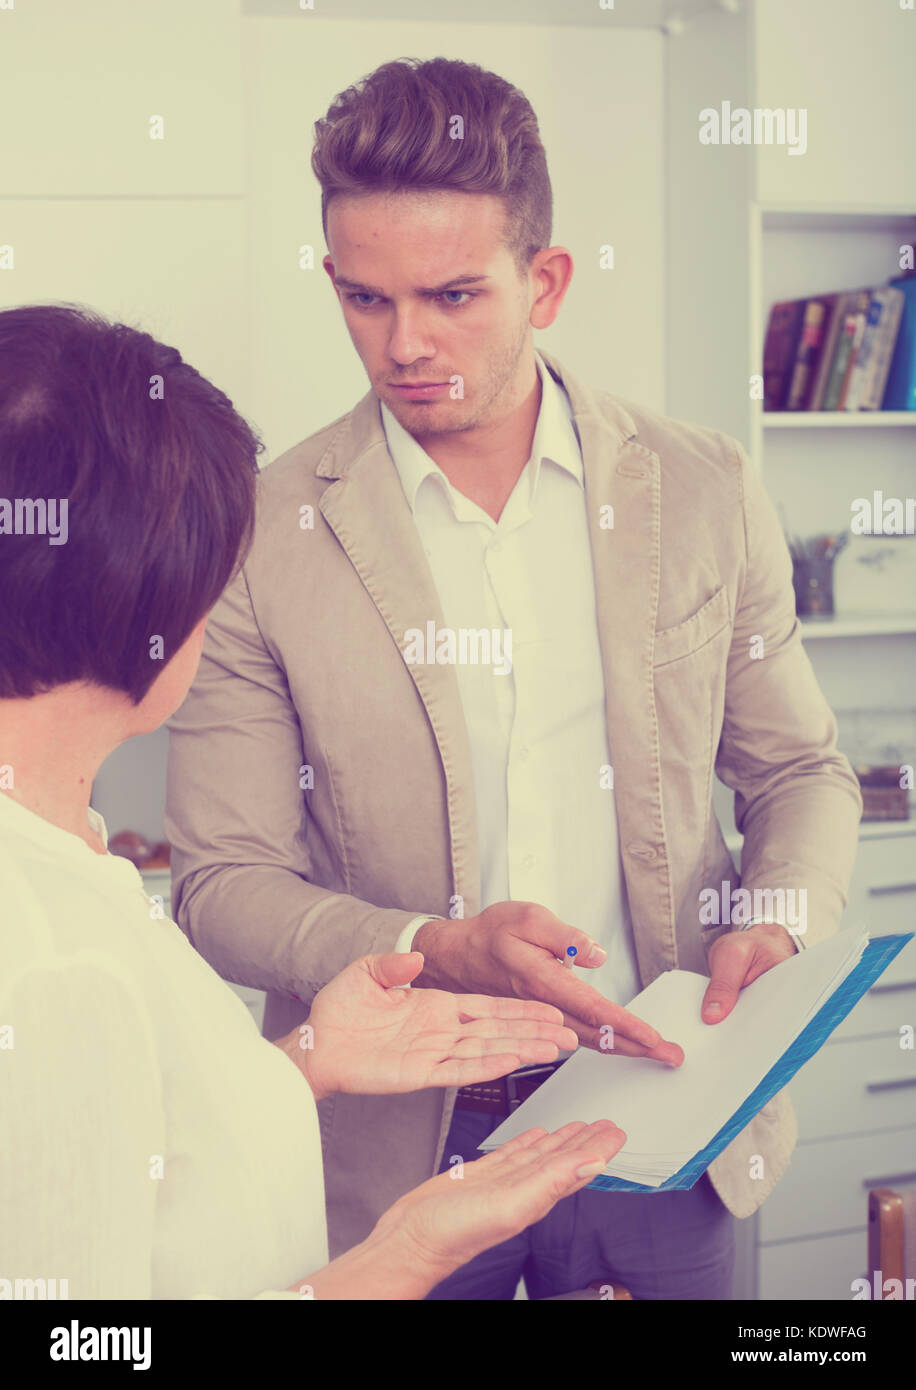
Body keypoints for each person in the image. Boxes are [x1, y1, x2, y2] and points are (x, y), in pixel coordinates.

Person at [165, 58, 863, 1300]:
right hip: (398, 1158)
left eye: (450, 296)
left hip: (670, 1116)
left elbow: (802, 770)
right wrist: (433, 944)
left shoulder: (702, 486)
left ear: (543, 283)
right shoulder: (262, 534)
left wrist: (777, 915)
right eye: (365, 300)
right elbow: (221, 885)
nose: (406, 344)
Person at [0, 302, 631, 1300]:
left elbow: (130, 1160)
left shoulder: (56, 845)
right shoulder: (51, 955)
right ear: (154, 596)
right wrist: (402, 1256)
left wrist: (307, 1058)